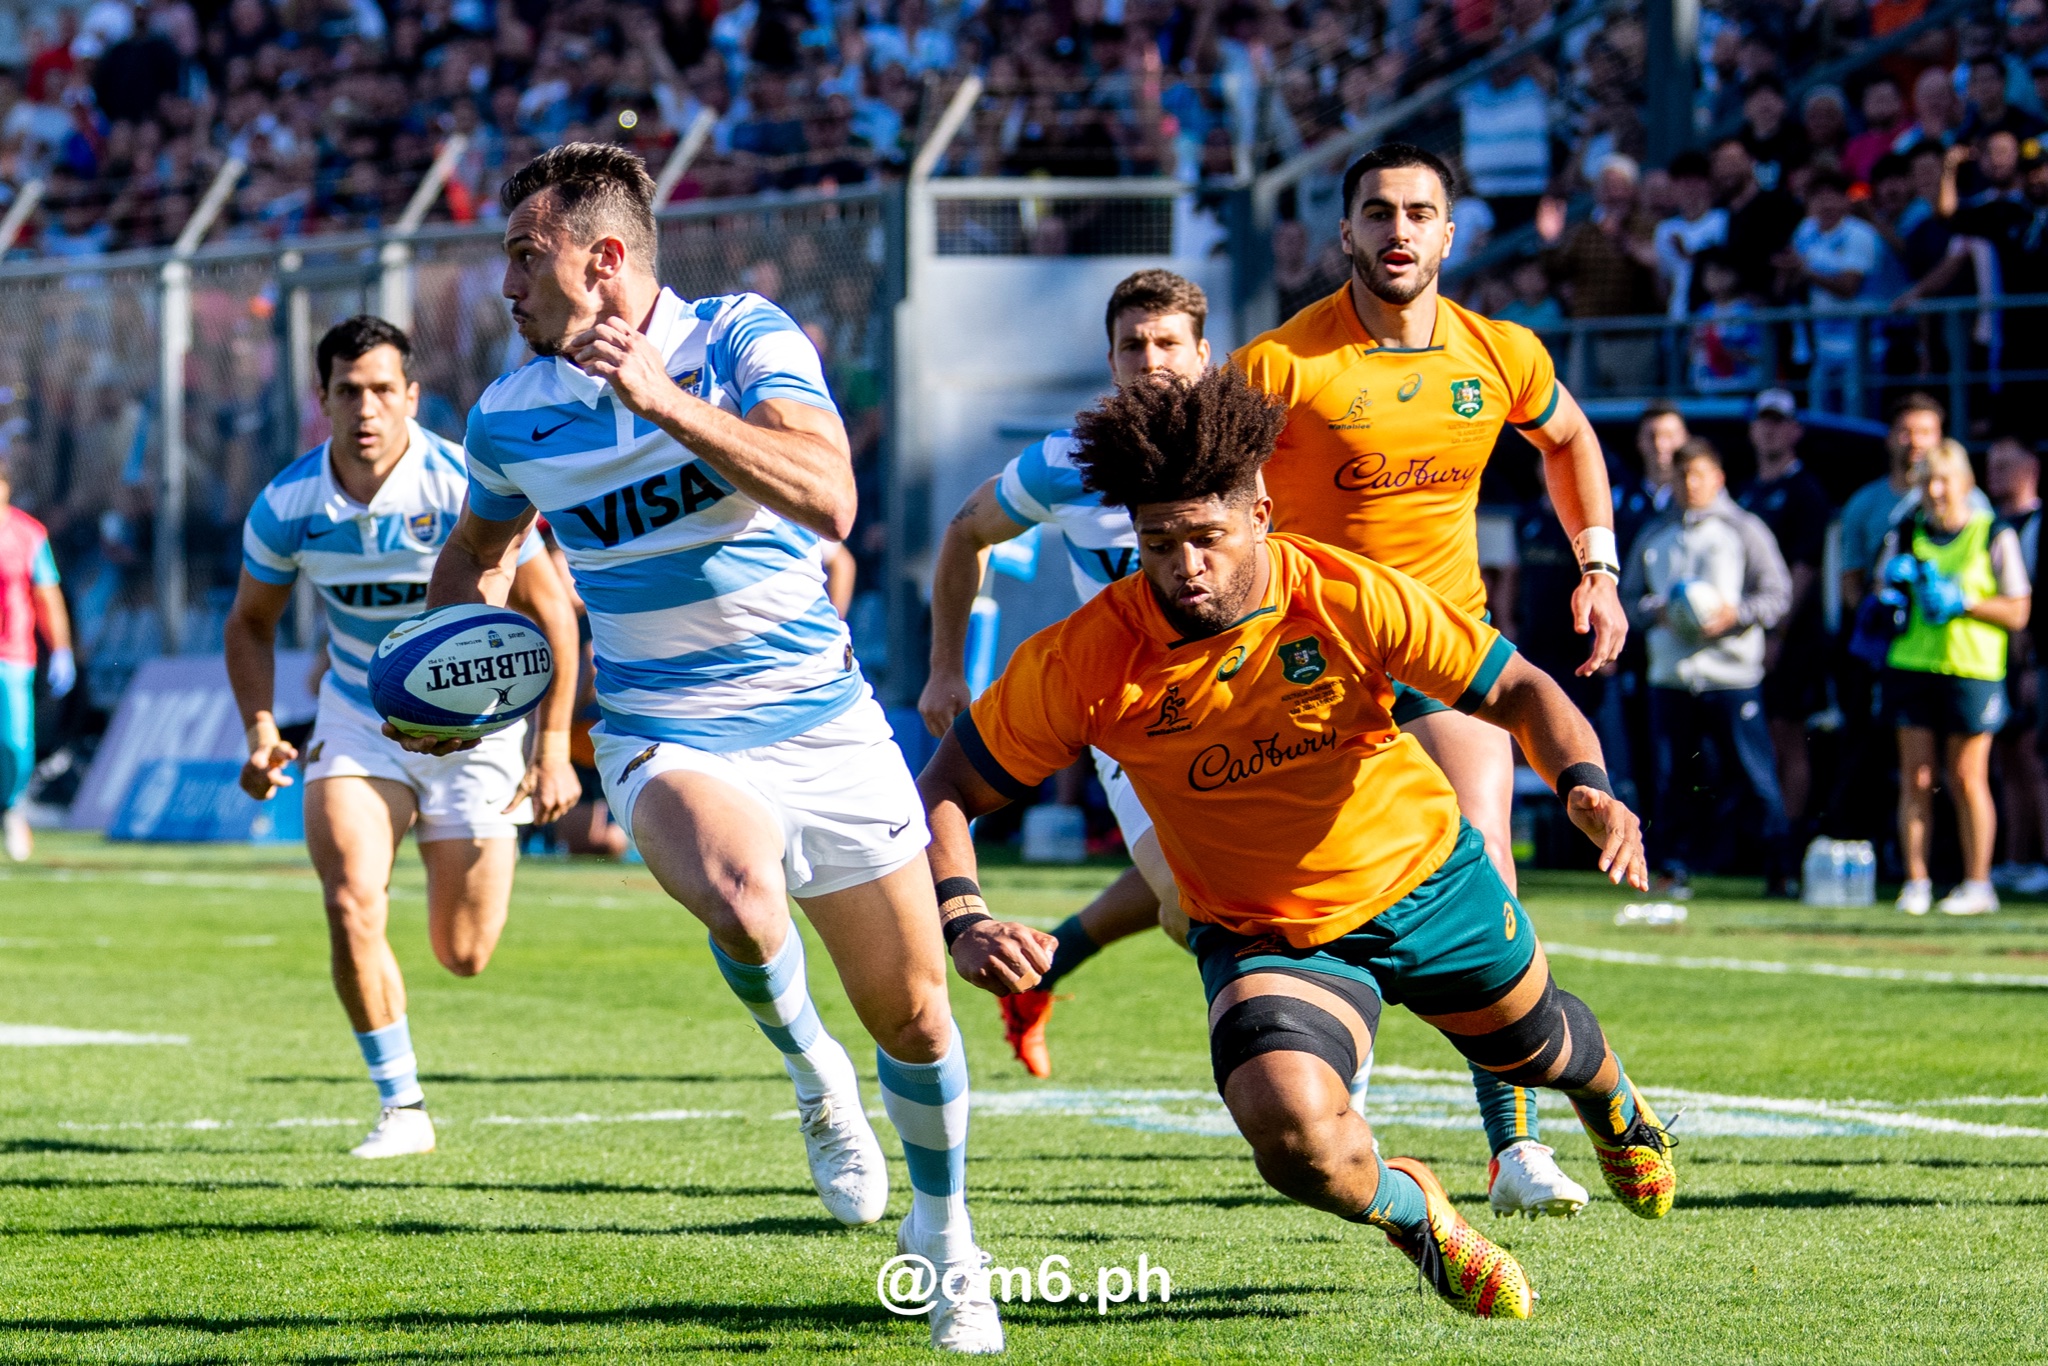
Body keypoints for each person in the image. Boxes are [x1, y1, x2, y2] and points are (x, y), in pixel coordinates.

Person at [914, 367, 1675, 1320]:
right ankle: (1417, 1214)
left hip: (1426, 882)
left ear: (1262, 512)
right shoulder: (1088, 655)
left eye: (1206, 537)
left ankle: (1612, 1104)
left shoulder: (1347, 594)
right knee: (1294, 1137)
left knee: (1543, 1049)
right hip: (1265, 932)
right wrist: (964, 915)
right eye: (1158, 543)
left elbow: (1522, 689)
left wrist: (1588, 787)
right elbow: (947, 785)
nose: (1184, 565)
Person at [406, 144, 1003, 1352]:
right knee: (738, 891)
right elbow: (476, 552)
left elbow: (832, 497)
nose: (505, 287)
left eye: (526, 257)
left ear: (605, 259)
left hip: (823, 721)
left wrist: (661, 401)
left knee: (919, 1020)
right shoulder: (510, 414)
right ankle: (809, 1073)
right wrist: (444, 664)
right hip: (660, 726)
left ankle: (946, 1244)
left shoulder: (740, 337)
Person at [1238, 142, 1628, 1219]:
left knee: (1484, 876)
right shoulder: (1282, 365)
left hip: (1450, 654)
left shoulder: (1496, 352)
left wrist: (1596, 564)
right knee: (1300, 895)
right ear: (1345, 233)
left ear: (1450, 233)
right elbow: (1207, 491)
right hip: (1311, 669)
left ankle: (1514, 1148)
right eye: (1376, 213)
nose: (1397, 231)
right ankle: (1319, 1069)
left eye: (1418, 213)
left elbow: (1568, 438)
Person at [225, 316, 583, 1158]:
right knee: (350, 897)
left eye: (384, 389)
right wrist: (262, 727)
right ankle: (402, 1105)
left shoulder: (464, 479)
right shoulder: (288, 506)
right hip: (358, 719)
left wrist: (555, 739)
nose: (367, 408)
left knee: (463, 954)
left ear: (412, 396)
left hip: (478, 730)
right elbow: (249, 624)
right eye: (348, 391)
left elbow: (552, 611)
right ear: (322, 401)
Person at [916, 268, 1209, 1080]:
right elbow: (964, 533)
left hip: (1252, 702)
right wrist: (945, 670)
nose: (1151, 361)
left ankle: (1052, 969)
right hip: (1131, 718)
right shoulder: (1072, 460)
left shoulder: (1259, 454)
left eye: (1167, 344)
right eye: (1132, 345)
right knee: (1198, 906)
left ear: (1203, 353)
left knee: (1230, 880)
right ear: (1111, 360)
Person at [1623, 438, 1795, 896]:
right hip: (1672, 677)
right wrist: (1656, 611)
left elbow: (1777, 594)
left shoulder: (1744, 529)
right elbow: (1627, 598)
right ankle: (1672, 868)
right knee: (1670, 779)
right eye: (1681, 476)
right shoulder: (1653, 533)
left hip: (1732, 676)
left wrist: (1734, 615)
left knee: (1754, 775)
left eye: (1699, 474)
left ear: (1718, 478)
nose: (1690, 484)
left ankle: (1779, 868)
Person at [1882, 441, 2033, 916]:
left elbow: (2019, 610)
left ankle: (1978, 881)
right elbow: (1877, 591)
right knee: (1917, 777)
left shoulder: (1993, 533)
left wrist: (1964, 602)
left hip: (1973, 668)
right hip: (1913, 664)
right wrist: (1891, 591)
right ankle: (1917, 880)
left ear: (1967, 484)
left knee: (1967, 777)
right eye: (1928, 480)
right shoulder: (1906, 531)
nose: (1937, 490)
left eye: (1946, 479)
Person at [1738, 389, 1835, 836]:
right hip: (1749, 635)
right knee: (1759, 739)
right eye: (1763, 421)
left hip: (1789, 638)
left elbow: (1805, 569)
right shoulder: (1748, 493)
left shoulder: (1805, 492)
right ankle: (1766, 831)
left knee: (1786, 735)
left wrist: (1776, 633)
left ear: (1795, 430)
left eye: (1779, 421)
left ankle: (1789, 836)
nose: (1770, 429)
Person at [0, 458, 73, 862]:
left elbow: (47, 594)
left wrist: (60, 648)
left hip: (12, 654)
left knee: (14, 743)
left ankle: (11, 806)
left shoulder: (28, 535)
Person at [1984, 435, 2048, 894]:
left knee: (2035, 758)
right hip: (1990, 657)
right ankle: (2016, 858)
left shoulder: (2039, 523)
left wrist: (2029, 662)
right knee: (2007, 760)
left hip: (2031, 660)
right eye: (1992, 464)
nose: (1997, 473)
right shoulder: (1985, 524)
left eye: (2008, 464)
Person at [1778, 166, 1896, 414]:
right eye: (1818, 197)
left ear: (1845, 200)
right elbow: (1791, 277)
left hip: (1864, 347)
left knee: (1857, 418)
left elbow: (1848, 287)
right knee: (1821, 419)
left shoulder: (1860, 234)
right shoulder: (1805, 230)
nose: (1826, 204)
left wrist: (1805, 270)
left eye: (1833, 196)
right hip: (1823, 347)